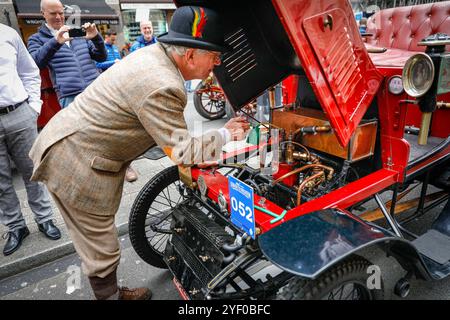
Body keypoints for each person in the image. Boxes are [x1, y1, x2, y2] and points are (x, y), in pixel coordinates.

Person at [29, 6, 250, 300]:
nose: (218, 62)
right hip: (74, 161)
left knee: (96, 241)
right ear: (190, 55)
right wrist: (225, 134)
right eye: (214, 55)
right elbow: (182, 150)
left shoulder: (154, 58)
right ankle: (112, 297)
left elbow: (163, 133)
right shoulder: (163, 83)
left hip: (72, 142)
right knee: (101, 247)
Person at [0, 23, 61, 256]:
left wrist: (33, 107)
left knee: (32, 171)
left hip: (19, 113)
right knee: (1, 182)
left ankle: (44, 219)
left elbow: (29, 70)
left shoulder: (8, 34)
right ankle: (16, 227)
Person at [27, 0, 107, 108]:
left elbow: (101, 57)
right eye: (53, 13)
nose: (58, 17)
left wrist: (96, 38)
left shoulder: (76, 31)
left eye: (61, 13)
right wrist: (55, 41)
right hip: (70, 96)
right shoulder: (36, 39)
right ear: (43, 13)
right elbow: (35, 63)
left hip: (96, 89)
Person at [95, 30, 139, 182]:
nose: (114, 41)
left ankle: (126, 164)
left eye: (115, 39)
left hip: (117, 85)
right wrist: (112, 63)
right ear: (106, 37)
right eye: (112, 39)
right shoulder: (101, 48)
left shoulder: (114, 48)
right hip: (105, 86)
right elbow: (97, 64)